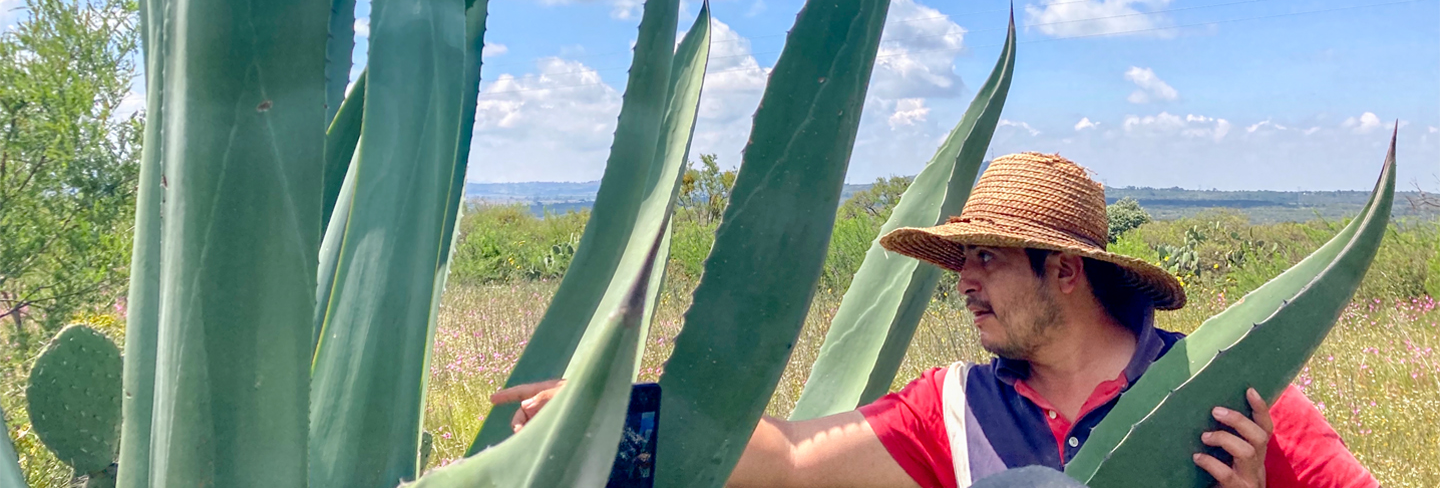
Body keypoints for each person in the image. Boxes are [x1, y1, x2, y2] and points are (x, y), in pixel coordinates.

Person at [492, 151, 1377, 487]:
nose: (964, 280)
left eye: (986, 256)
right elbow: (791, 459)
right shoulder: (953, 412)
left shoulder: (1228, 400)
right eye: (960, 261)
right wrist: (615, 419)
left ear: (1064, 269)